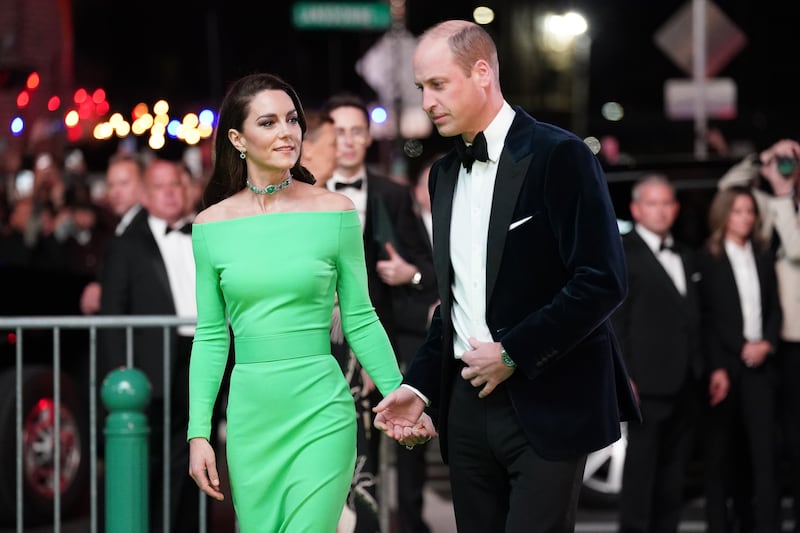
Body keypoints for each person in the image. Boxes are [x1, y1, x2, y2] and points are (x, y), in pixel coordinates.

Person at [373, 20, 640, 533]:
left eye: (437, 84)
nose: (426, 102)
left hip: (549, 400)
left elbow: (602, 279)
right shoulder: (443, 174)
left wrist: (514, 350)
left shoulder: (559, 155)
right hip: (467, 410)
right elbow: (455, 303)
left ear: (481, 73)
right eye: (420, 88)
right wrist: (421, 387)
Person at [185, 73, 433, 533]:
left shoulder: (335, 212)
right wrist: (199, 431)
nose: (287, 132)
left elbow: (360, 317)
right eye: (269, 122)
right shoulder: (210, 226)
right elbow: (212, 334)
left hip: (322, 409)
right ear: (237, 138)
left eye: (292, 120)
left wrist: (398, 389)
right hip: (251, 416)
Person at [321, 92, 436, 531]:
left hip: (384, 342)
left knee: (397, 445)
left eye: (356, 132)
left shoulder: (391, 193)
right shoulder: (305, 193)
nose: (347, 142)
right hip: (321, 346)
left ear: (369, 138)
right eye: (339, 132)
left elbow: (428, 270)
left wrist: (410, 275)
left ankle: (405, 524)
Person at [99, 157, 199, 533]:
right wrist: (121, 369)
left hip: (201, 355)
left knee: (195, 450)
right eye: (160, 187)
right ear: (145, 194)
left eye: (175, 184)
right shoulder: (127, 244)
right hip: (155, 362)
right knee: (154, 455)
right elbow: (113, 312)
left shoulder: (201, 232)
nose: (170, 193)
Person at [612, 175, 704, 533]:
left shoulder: (684, 252)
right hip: (644, 383)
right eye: (653, 203)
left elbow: (693, 317)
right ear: (636, 209)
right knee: (641, 473)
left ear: (676, 209)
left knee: (673, 475)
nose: (661, 210)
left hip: (685, 381)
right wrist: (625, 376)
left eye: (667, 203)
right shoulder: (622, 250)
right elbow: (615, 321)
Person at [717, 138, 800, 530]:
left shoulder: (782, 206)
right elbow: (727, 191)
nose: (789, 168)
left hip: (793, 341)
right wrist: (761, 158)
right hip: (773, 341)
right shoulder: (765, 208)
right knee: (768, 443)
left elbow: (796, 248)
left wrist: (785, 193)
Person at [698, 186, 782, 533]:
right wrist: (732, 352)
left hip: (761, 365)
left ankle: (766, 526)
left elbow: (774, 308)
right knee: (721, 458)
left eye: (750, 211)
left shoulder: (762, 254)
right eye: (737, 211)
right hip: (725, 367)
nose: (745, 218)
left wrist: (766, 344)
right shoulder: (707, 256)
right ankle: (720, 525)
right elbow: (706, 317)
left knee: (765, 457)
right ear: (723, 215)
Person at [79, 153, 145, 315]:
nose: (115, 192)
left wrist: (104, 292)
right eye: (111, 185)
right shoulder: (120, 226)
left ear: (143, 184)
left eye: (123, 183)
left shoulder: (146, 229)